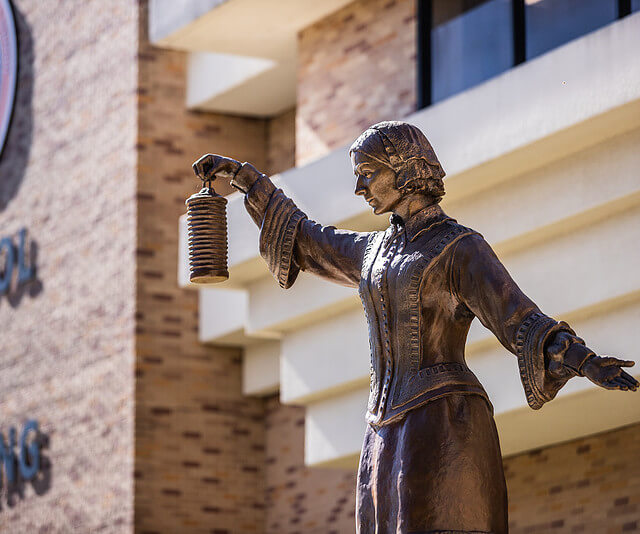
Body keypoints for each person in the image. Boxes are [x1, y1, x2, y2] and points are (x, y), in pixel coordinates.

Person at [193, 121, 638, 534]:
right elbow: (305, 239)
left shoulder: (459, 247)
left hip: (443, 421)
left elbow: (519, 318)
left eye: (367, 174)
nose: (359, 188)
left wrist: (583, 360)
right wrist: (246, 179)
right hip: (382, 430)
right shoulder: (372, 251)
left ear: (404, 170)